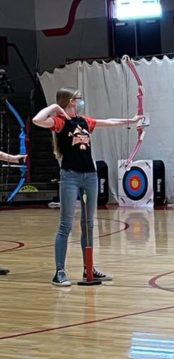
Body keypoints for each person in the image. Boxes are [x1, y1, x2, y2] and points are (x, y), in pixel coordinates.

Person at [33, 88, 142, 287]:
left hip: (90, 177)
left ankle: (88, 268)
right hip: (70, 177)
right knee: (65, 225)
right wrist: (56, 107)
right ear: (69, 101)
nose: (80, 102)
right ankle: (59, 272)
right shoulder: (60, 122)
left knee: (88, 224)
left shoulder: (84, 121)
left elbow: (108, 122)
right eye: (77, 99)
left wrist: (132, 121)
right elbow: (37, 120)